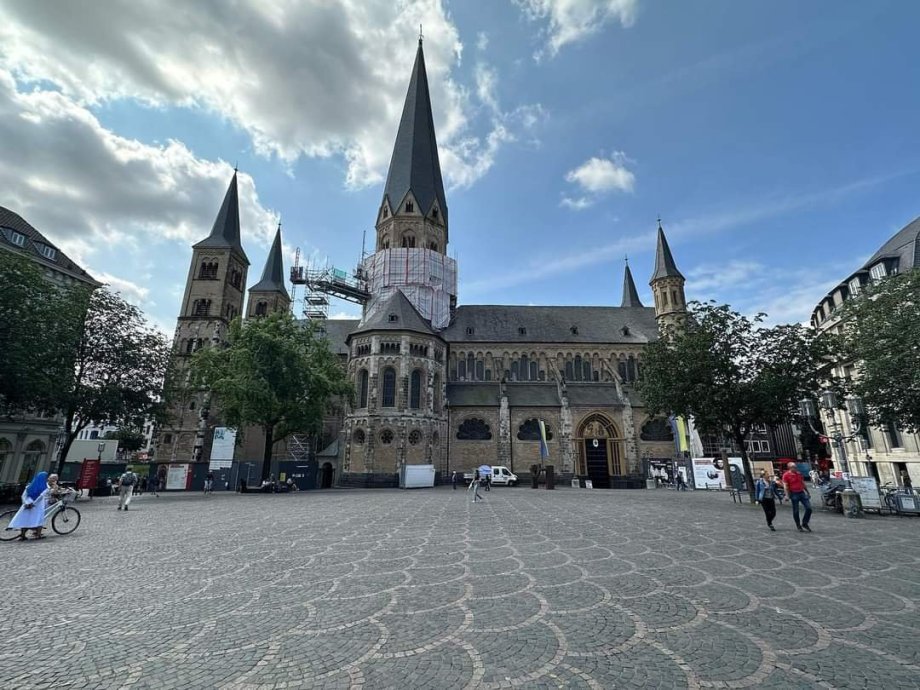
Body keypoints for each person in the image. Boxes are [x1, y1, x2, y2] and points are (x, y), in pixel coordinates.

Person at [7, 471, 50, 540]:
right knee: (39, 519)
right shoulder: (45, 487)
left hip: (27, 502)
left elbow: (23, 495)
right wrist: (33, 504)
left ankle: (23, 535)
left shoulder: (30, 486)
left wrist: (25, 503)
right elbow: (40, 497)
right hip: (38, 505)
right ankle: (38, 535)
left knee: (25, 519)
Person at [782, 462, 812, 532]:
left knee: (809, 508)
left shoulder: (799, 474)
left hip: (801, 492)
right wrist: (787, 495)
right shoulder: (786, 475)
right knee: (796, 510)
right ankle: (798, 525)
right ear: (789, 468)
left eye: (795, 467)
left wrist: (807, 492)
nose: (796, 468)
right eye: (794, 467)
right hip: (793, 493)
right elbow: (785, 486)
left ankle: (805, 523)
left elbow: (802, 483)